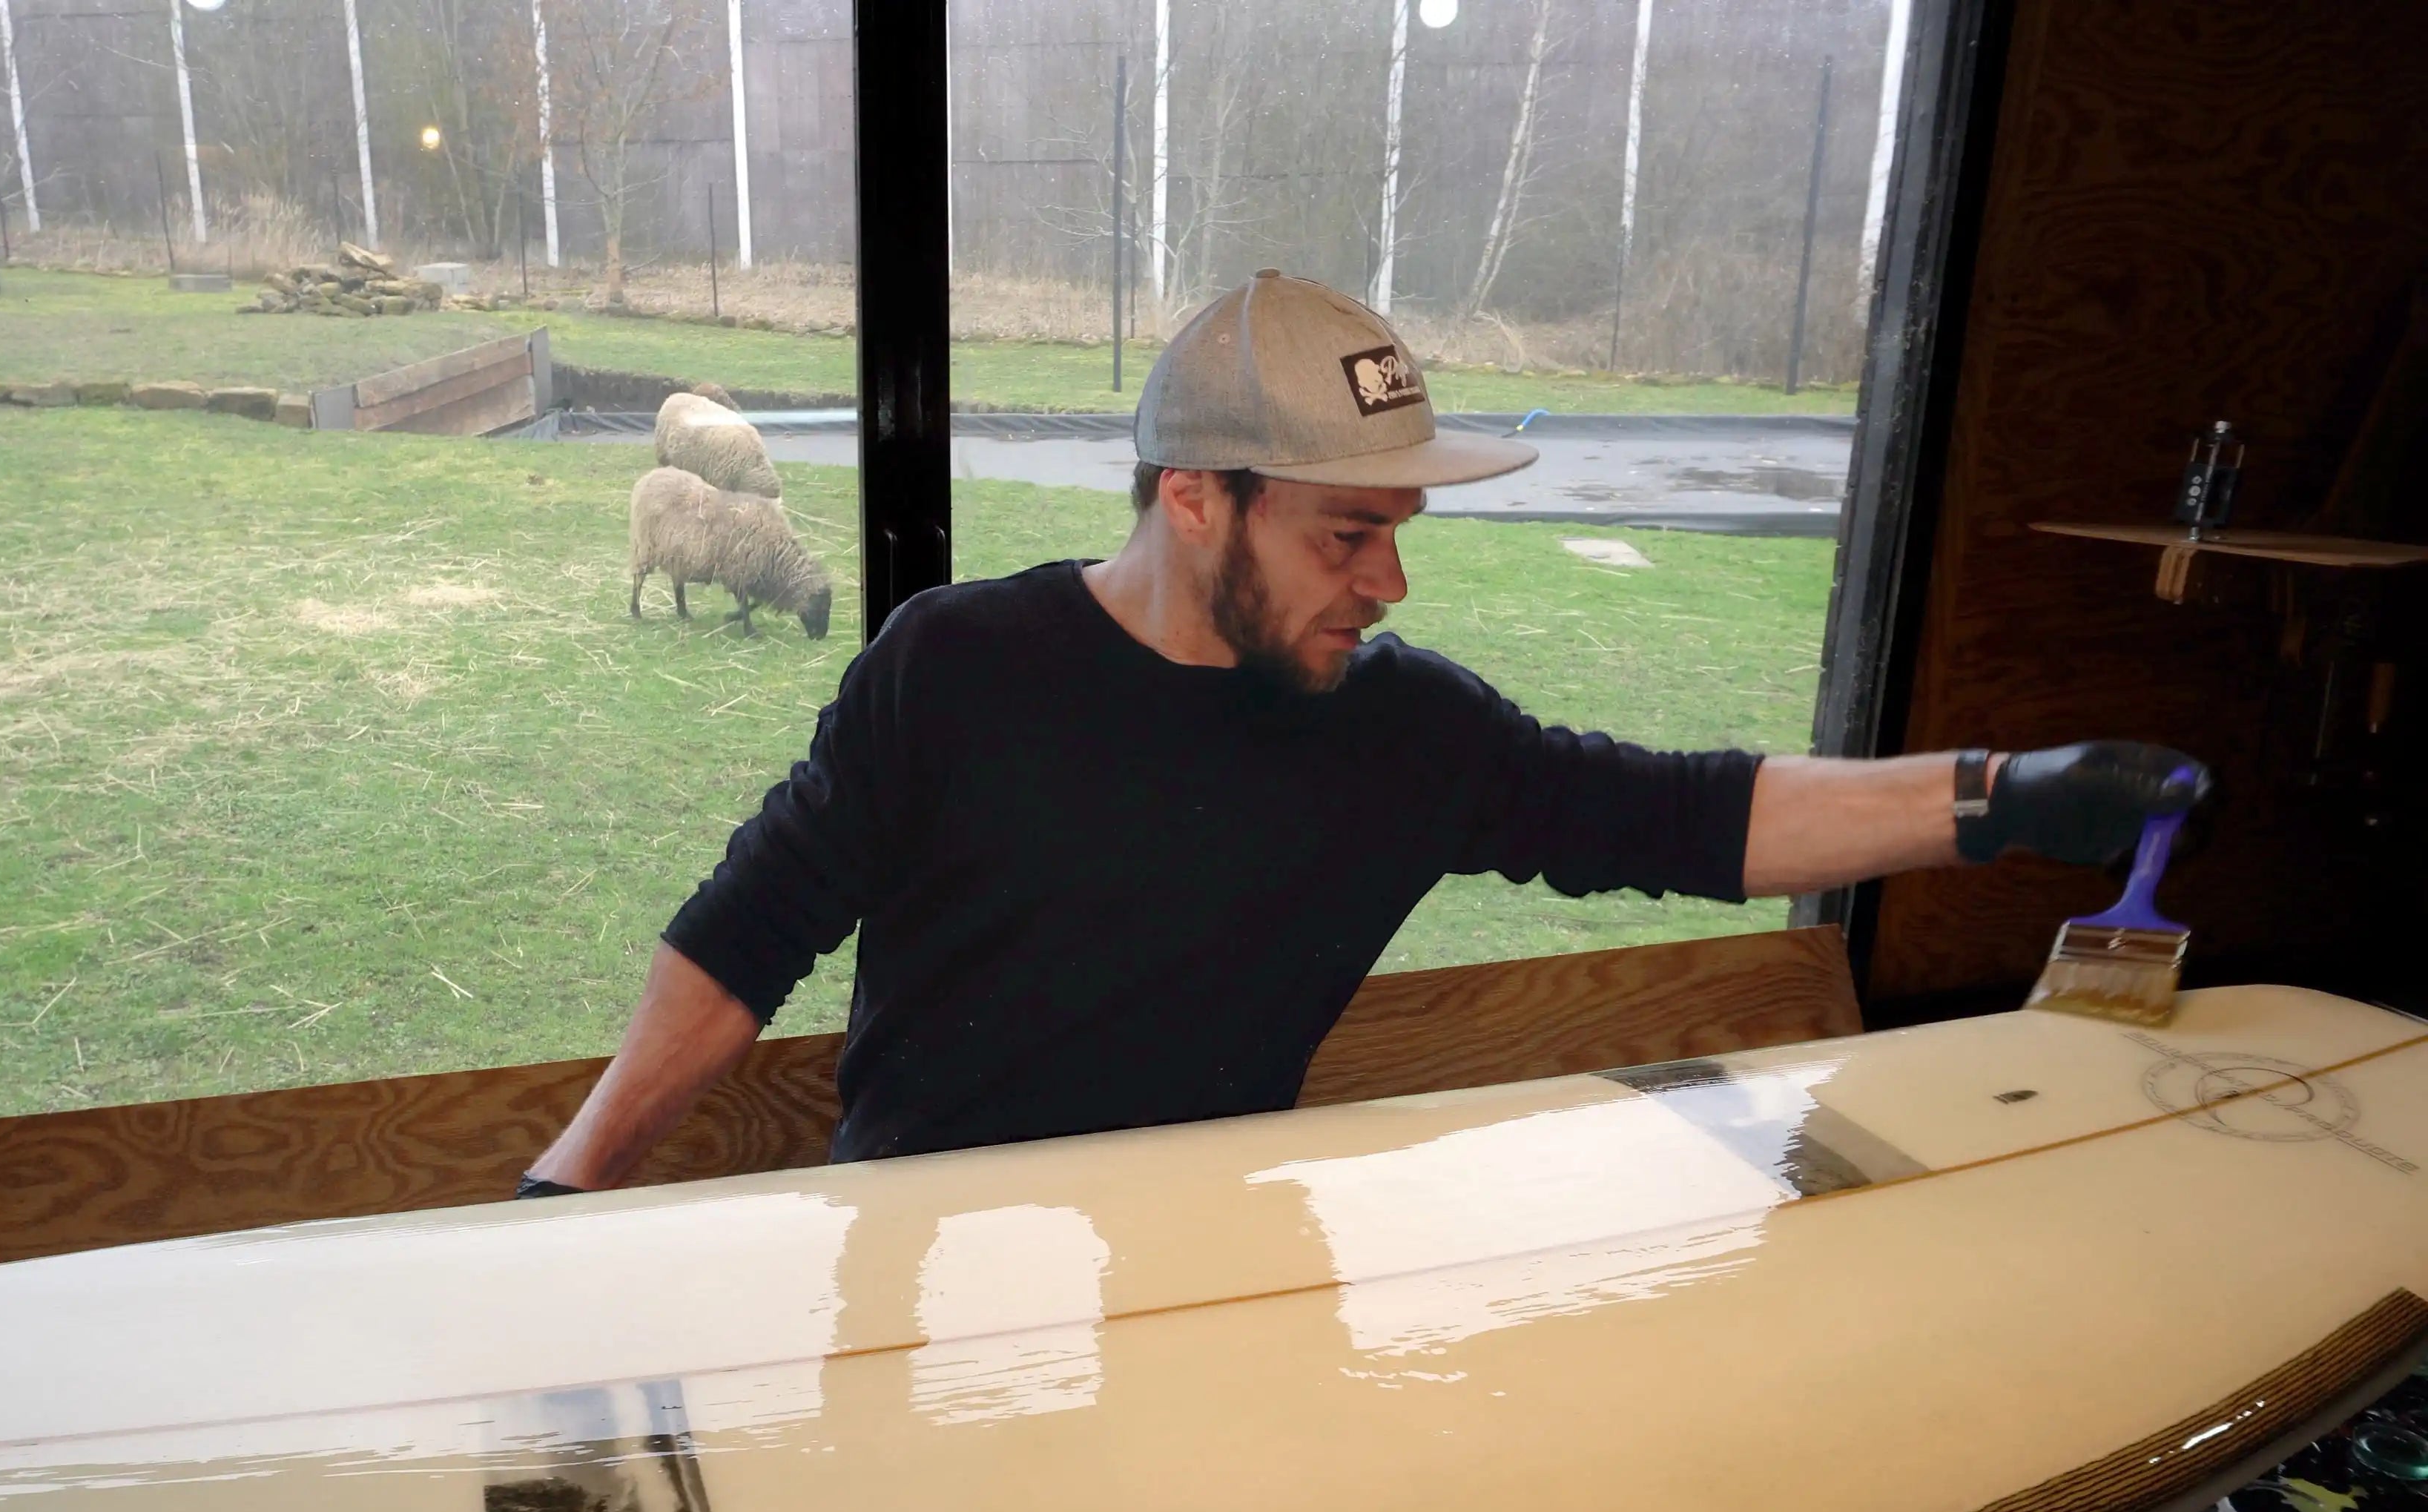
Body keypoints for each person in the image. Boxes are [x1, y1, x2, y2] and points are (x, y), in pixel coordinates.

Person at [517, 271, 2208, 1196]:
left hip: (1232, 1270)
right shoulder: (952, 669)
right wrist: (575, 1181)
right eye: (1348, 534)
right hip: (920, 1257)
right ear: (1194, 498)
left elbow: (1692, 817)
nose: (1391, 583)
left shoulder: (1399, 731)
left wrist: (1996, 799)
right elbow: (753, 929)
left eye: (1402, 533)